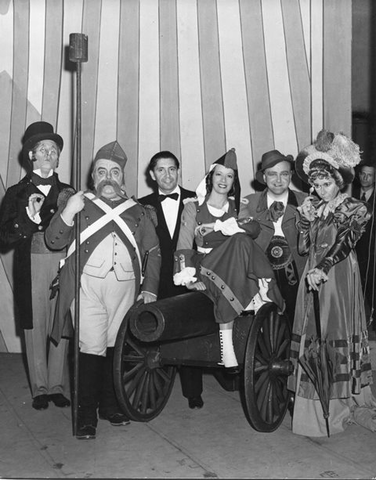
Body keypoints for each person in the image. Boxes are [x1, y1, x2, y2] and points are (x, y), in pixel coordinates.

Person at [45, 141, 161, 440]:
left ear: (123, 178)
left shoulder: (138, 211)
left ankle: (110, 406)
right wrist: (69, 211)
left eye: (114, 172)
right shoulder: (80, 204)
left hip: (125, 290)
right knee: (90, 349)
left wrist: (150, 289)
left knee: (115, 348)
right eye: (101, 172)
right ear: (92, 177)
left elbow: (154, 250)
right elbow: (54, 241)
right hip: (87, 288)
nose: (108, 178)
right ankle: (86, 415)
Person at [287, 129, 375, 437]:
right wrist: (304, 221)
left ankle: (336, 408)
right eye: (316, 184)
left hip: (337, 276)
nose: (321, 190)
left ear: (338, 183)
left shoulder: (354, 208)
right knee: (311, 331)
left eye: (326, 184)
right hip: (311, 274)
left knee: (333, 330)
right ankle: (312, 405)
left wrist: (323, 266)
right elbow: (302, 248)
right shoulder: (314, 207)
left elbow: (346, 243)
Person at [173, 148, 284, 373]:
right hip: (207, 267)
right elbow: (184, 246)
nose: (223, 180)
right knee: (240, 241)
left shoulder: (237, 206)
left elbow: (252, 229)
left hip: (234, 269)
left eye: (229, 176)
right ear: (210, 177)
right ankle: (261, 288)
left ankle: (228, 351)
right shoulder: (193, 206)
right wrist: (188, 280)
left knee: (242, 239)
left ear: (234, 181)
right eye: (219, 174)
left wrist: (216, 226)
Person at [0, 121, 73, 411]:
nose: (47, 154)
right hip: (30, 263)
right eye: (41, 149)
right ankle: (40, 387)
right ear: (30, 155)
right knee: (35, 325)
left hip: (62, 263)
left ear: (58, 157)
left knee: (60, 322)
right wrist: (28, 223)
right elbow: (4, 236)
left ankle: (57, 385)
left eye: (53, 150)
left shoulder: (69, 192)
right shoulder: (16, 193)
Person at [138, 151, 204, 410]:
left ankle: (193, 392)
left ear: (179, 171)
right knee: (157, 334)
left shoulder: (198, 200)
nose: (167, 175)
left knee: (191, 332)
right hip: (158, 279)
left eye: (172, 169)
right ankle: (155, 389)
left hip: (190, 278)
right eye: (161, 170)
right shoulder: (142, 205)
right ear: (152, 174)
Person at [239, 150, 307, 326]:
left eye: (284, 174)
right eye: (272, 174)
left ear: (291, 175)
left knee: (297, 321)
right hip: (262, 271)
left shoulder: (305, 201)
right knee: (264, 324)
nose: (278, 180)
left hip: (297, 272)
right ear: (263, 176)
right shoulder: (249, 203)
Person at [353, 163, 375, 327]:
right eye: (363, 174)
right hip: (354, 251)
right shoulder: (351, 196)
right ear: (359, 175)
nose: (366, 178)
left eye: (370, 175)